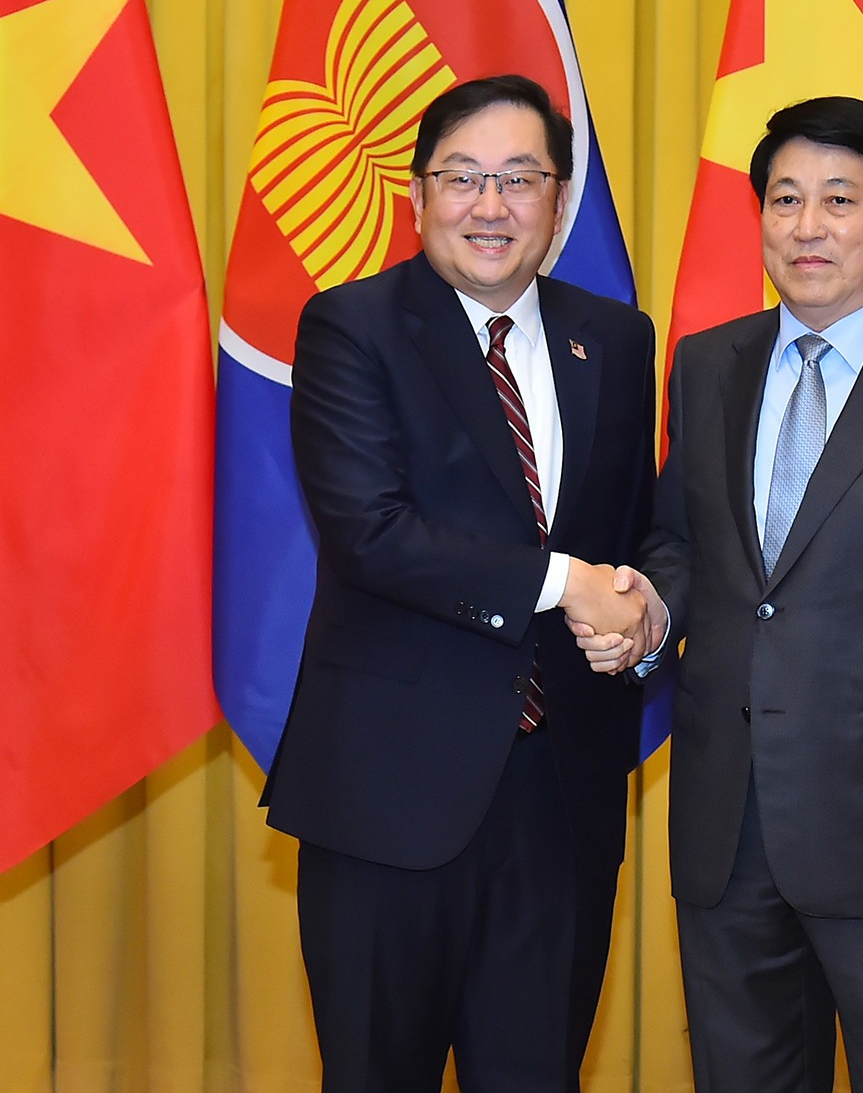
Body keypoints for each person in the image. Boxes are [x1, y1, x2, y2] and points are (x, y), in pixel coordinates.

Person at [581, 95, 863, 1092]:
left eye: (840, 199)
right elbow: (681, 545)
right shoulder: (708, 367)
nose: (808, 225)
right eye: (785, 199)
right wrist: (649, 613)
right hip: (726, 826)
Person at [262, 73, 659, 1091]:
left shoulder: (614, 338)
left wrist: (646, 613)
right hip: (390, 799)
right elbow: (372, 531)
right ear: (418, 195)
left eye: (520, 179)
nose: (492, 205)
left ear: (559, 201)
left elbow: (642, 530)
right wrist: (568, 581)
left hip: (560, 802)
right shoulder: (352, 327)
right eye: (464, 178)